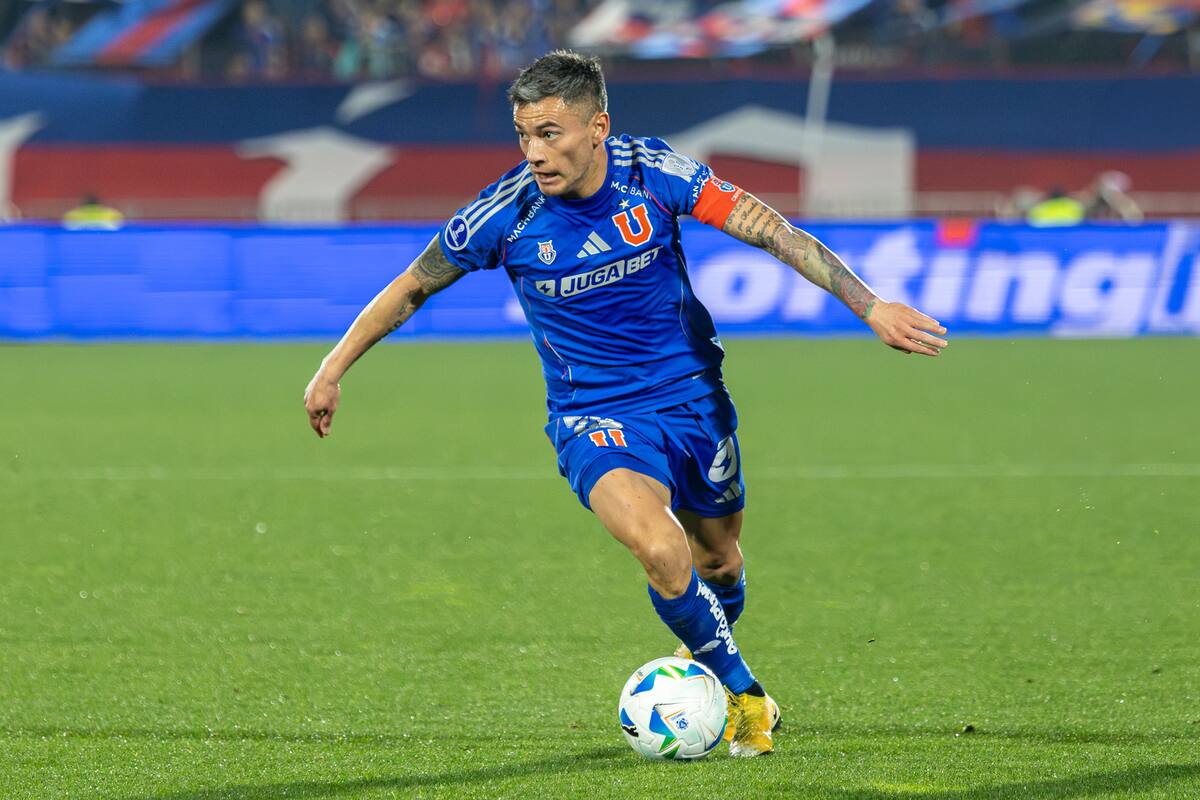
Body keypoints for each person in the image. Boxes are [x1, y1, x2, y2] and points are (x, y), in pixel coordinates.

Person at [303, 50, 948, 757]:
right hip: (593, 416)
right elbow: (411, 286)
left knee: (720, 560)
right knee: (659, 547)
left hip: (694, 400)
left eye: (551, 133)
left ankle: (705, 666)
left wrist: (869, 305)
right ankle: (745, 694)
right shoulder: (505, 214)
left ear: (598, 126)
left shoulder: (656, 175)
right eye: (523, 134)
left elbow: (774, 233)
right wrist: (333, 369)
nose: (535, 153)